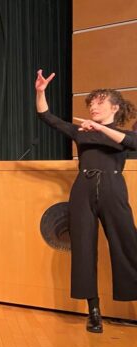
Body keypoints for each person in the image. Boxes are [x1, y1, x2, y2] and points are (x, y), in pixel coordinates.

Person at [35, 69, 137, 333]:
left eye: (99, 102)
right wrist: (40, 91)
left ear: (115, 107)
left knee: (127, 243)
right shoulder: (82, 131)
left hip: (113, 187)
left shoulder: (122, 133)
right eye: (91, 103)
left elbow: (131, 143)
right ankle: (94, 311)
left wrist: (101, 128)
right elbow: (47, 117)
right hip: (83, 188)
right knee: (82, 247)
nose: (93, 106)